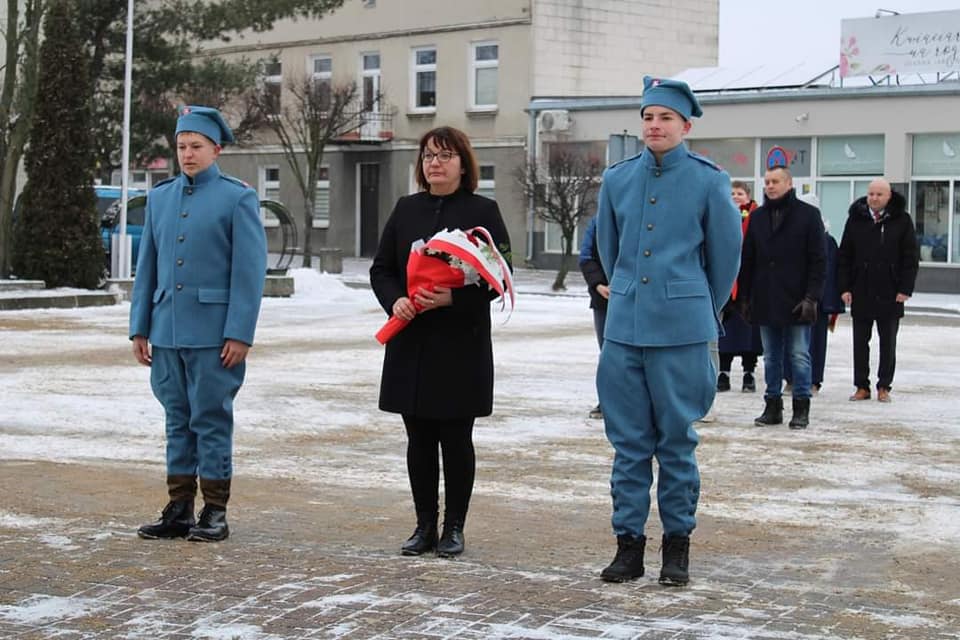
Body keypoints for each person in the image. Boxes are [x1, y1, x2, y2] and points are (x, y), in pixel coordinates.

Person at [595, 76, 741, 586]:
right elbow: (611, 253)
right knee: (628, 443)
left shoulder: (709, 180)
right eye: (648, 117)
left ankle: (676, 547)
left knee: (677, 442)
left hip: (682, 330)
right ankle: (627, 545)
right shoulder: (616, 179)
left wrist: (696, 305)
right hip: (625, 331)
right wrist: (633, 293)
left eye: (665, 118)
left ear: (686, 125)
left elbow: (724, 261)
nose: (654, 126)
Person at [370, 126, 512, 559]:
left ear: (463, 164)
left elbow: (502, 274)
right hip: (412, 341)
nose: (436, 163)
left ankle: (454, 528)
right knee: (418, 437)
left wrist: (455, 297)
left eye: (446, 155)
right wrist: (395, 301)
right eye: (429, 155)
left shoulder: (483, 210)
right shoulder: (405, 208)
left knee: (455, 438)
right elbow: (382, 268)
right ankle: (423, 526)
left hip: (460, 345)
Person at [130, 105, 267, 542]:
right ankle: (179, 506)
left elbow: (249, 272)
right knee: (176, 418)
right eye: (182, 146)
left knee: (210, 418)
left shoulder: (237, 197)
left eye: (197, 147)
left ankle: (215, 509)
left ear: (216, 149)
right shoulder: (160, 197)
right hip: (167, 330)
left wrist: (240, 332)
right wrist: (140, 327)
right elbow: (146, 267)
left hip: (214, 334)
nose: (187, 154)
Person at [737, 167, 825, 430]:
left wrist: (812, 297)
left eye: (775, 181)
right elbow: (748, 259)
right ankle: (772, 405)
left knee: (799, 354)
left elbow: (818, 261)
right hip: (765, 296)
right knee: (771, 356)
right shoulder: (759, 216)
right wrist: (744, 296)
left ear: (788, 183)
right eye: (766, 182)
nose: (770, 186)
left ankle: (801, 406)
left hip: (797, 298)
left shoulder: (808, 216)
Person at [837, 179, 919, 403]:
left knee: (888, 342)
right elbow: (844, 256)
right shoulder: (856, 219)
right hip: (861, 289)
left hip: (890, 291)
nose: (873, 198)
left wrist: (905, 288)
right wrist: (844, 287)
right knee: (860, 342)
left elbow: (910, 258)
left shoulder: (902, 220)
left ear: (889, 196)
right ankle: (861, 386)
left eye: (879, 194)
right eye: (871, 194)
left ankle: (884, 386)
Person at [784, 194, 845, 393]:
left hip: (817, 301)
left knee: (815, 343)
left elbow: (831, 272)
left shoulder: (827, 241)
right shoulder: (787, 236)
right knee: (790, 342)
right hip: (791, 299)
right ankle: (791, 378)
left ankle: (813, 380)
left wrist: (828, 302)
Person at [717, 181, 762, 393]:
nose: (736, 196)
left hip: (749, 283)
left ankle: (748, 373)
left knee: (748, 333)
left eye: (740, 193)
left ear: (748, 196)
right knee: (724, 332)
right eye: (732, 193)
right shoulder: (720, 214)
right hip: (726, 282)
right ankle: (723, 372)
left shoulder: (757, 216)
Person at [578, 215, 608, 419]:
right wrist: (598, 284)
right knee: (607, 353)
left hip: (638, 298)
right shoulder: (599, 221)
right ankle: (607, 401)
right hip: (604, 297)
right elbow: (586, 257)